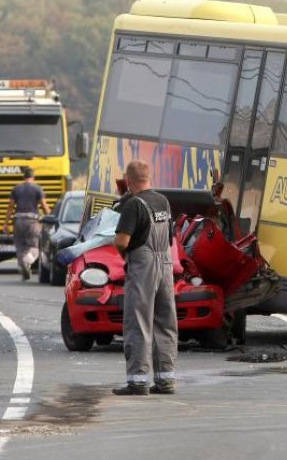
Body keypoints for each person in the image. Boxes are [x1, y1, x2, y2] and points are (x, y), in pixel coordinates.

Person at [112, 160, 178, 396]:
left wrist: (127, 257)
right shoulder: (163, 201)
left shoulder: (133, 205)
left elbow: (121, 241)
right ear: (149, 178)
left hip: (144, 265)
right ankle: (166, 380)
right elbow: (170, 236)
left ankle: (138, 381)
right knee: (165, 321)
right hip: (165, 264)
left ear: (128, 181)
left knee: (138, 321)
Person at [3, 167, 50, 281]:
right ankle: (27, 261)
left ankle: (24, 271)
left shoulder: (16, 189)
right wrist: (49, 218)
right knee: (34, 246)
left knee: (20, 247)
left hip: (18, 221)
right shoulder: (37, 189)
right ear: (33, 177)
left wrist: (6, 223)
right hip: (32, 221)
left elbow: (10, 207)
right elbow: (43, 206)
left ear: (23, 177)